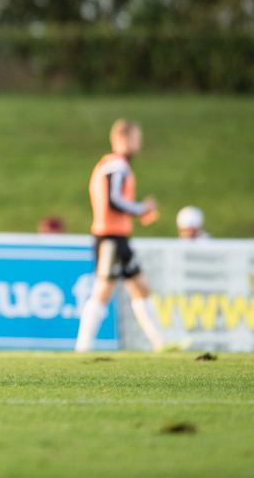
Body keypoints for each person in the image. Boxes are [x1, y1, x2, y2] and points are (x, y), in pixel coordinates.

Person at [75, 119, 166, 352]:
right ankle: (82, 348)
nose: (139, 144)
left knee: (140, 287)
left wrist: (136, 212)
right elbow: (113, 199)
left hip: (117, 236)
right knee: (102, 291)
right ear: (124, 139)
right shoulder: (117, 165)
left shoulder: (111, 164)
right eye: (136, 139)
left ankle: (161, 344)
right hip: (110, 237)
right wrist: (140, 209)